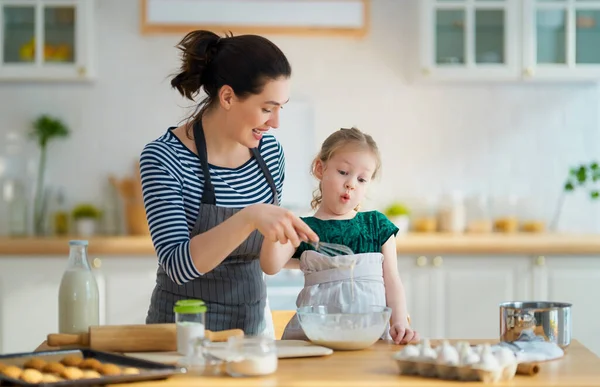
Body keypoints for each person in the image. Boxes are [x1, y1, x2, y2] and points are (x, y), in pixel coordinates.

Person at [139, 30, 318, 336]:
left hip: (251, 333)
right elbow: (178, 265)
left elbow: (267, 257)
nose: (275, 122)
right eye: (266, 108)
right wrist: (249, 217)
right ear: (227, 97)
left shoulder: (270, 153)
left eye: (280, 108)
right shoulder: (165, 157)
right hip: (182, 336)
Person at [260, 127, 419, 344]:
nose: (351, 183)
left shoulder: (376, 225)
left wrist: (400, 322)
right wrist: (273, 223)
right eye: (343, 172)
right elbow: (270, 266)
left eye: (362, 179)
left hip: (370, 340)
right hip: (315, 343)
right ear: (320, 168)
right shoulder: (303, 229)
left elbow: (392, 278)